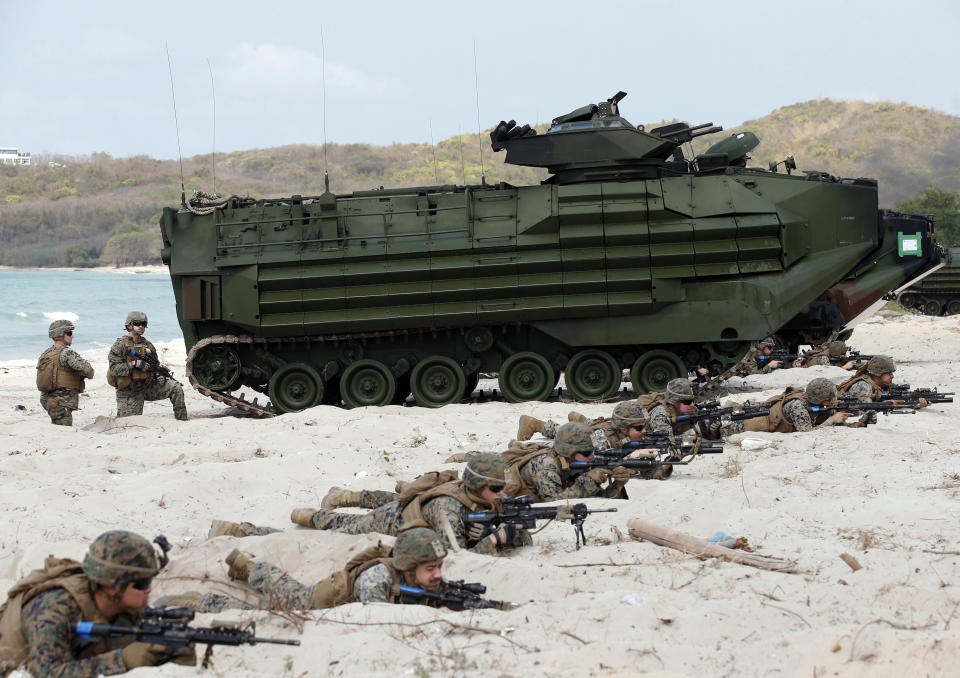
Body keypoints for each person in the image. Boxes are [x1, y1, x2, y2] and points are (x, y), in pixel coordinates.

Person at [208, 454, 529, 556]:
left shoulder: (477, 496)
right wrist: (497, 539)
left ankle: (313, 514)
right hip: (385, 525)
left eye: (503, 488)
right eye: (495, 488)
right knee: (320, 543)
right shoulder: (448, 507)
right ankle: (239, 530)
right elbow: (458, 559)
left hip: (396, 516)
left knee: (338, 526)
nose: (501, 494)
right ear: (476, 485)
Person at [0, 530, 195, 677]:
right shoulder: (52, 609)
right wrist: (123, 661)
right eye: (142, 584)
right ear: (112, 586)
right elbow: (47, 673)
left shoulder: (122, 607)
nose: (149, 590)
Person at [176, 528, 495, 614]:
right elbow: (376, 617)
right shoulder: (376, 580)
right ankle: (205, 597)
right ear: (409, 568)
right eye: (430, 568)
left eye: (439, 567)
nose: (437, 574)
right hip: (321, 603)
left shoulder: (416, 576)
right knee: (274, 604)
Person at [499, 421, 631, 501]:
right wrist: (587, 481)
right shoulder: (546, 465)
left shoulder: (577, 464)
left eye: (593, 451)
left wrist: (617, 485)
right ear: (569, 453)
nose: (592, 456)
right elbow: (554, 503)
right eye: (586, 453)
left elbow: (597, 499)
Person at [107, 311, 187, 421]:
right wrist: (134, 364)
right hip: (128, 391)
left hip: (147, 386)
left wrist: (159, 376)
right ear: (129, 326)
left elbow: (155, 366)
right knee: (127, 422)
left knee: (176, 387)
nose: (141, 326)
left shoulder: (148, 345)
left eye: (143, 324)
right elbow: (114, 369)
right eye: (137, 323)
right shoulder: (120, 345)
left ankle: (182, 420)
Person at [722, 377, 854, 434]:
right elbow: (807, 434)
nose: (833, 401)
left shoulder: (810, 399)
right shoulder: (798, 407)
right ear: (818, 399)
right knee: (710, 429)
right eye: (829, 399)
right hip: (742, 426)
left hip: (755, 414)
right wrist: (831, 420)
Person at [836, 355, 929, 424]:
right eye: (888, 373)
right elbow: (865, 411)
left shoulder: (883, 383)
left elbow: (899, 395)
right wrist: (891, 404)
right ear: (878, 373)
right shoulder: (863, 386)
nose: (892, 376)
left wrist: (914, 401)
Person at [36, 319, 94, 426]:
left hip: (47, 400)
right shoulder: (67, 353)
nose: (72, 336)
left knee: (56, 425)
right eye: (69, 333)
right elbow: (89, 372)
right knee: (63, 428)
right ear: (60, 335)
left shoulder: (46, 353)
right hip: (62, 401)